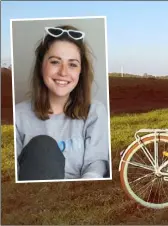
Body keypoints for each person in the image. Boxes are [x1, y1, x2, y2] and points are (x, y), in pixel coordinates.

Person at [14, 25, 110, 181]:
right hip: (36, 198)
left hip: (77, 197)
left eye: (72, 64)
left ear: (81, 71)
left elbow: (96, 163)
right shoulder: (17, 116)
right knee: (43, 146)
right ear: (41, 66)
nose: (63, 72)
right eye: (55, 62)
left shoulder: (95, 112)